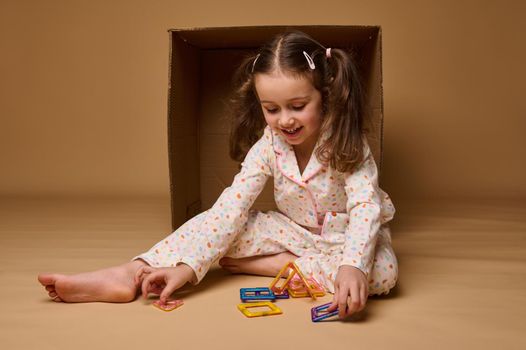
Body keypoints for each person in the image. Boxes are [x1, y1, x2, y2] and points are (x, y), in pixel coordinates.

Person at [38, 30, 398, 320]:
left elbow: (366, 207)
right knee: (217, 222)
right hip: (293, 232)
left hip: (345, 237)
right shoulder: (270, 144)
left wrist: (352, 265)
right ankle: (132, 271)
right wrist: (188, 267)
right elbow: (233, 205)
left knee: (380, 274)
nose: (284, 120)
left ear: (327, 95)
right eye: (271, 109)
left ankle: (281, 266)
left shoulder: (348, 140)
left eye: (298, 107)